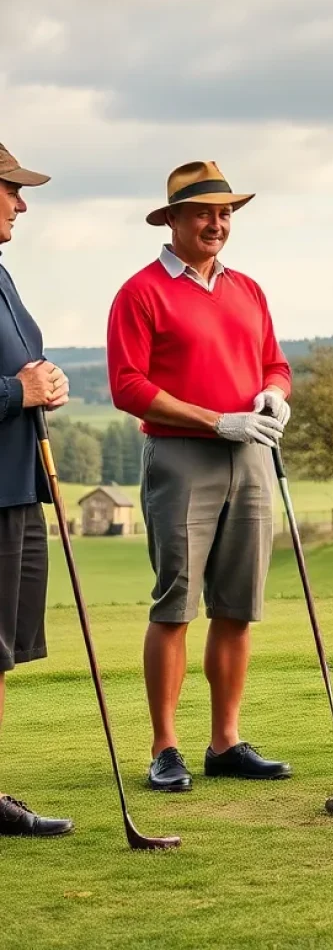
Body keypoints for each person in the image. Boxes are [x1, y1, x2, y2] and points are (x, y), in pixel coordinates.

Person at [107, 162, 293, 793]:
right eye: (205, 214)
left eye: (226, 214)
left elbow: (275, 362)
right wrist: (218, 421)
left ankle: (226, 742)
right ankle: (165, 748)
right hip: (181, 459)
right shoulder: (141, 292)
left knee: (237, 607)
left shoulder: (248, 289)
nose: (217, 224)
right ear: (174, 221)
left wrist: (273, 394)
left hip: (252, 455)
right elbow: (129, 387)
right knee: (176, 606)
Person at [0, 142, 73, 836]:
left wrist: (44, 383)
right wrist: (14, 391)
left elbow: (23, 369)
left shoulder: (1, 274)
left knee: (1, 651)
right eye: (11, 189)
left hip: (17, 486)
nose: (23, 203)